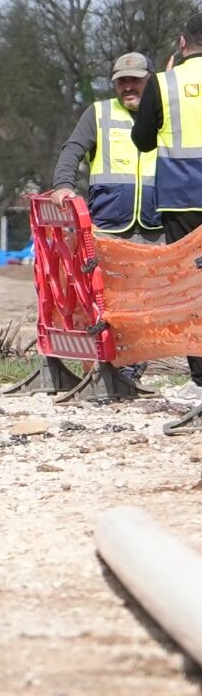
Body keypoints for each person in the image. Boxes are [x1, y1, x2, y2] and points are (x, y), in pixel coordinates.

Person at [128, 21, 202, 414]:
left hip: (182, 199)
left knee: (191, 288)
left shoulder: (163, 83)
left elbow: (142, 140)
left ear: (181, 43)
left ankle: (200, 381)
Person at [51, 52, 158, 237]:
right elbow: (72, 149)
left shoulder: (166, 114)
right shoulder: (98, 112)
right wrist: (63, 185)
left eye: (135, 80)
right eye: (122, 81)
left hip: (158, 228)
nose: (128, 87)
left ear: (151, 80)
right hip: (108, 228)